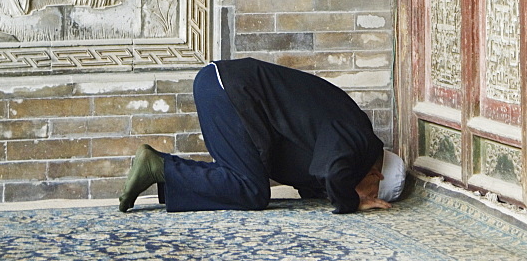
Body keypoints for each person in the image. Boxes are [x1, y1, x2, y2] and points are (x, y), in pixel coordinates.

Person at [119, 56, 405, 215]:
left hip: (225, 87)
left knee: (244, 182)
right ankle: (159, 166)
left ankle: (164, 178)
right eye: (373, 195)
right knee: (252, 191)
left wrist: (329, 194)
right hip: (230, 90)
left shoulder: (350, 138)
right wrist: (351, 201)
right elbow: (334, 172)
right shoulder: (360, 138)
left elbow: (317, 175)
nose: (368, 199)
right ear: (376, 175)